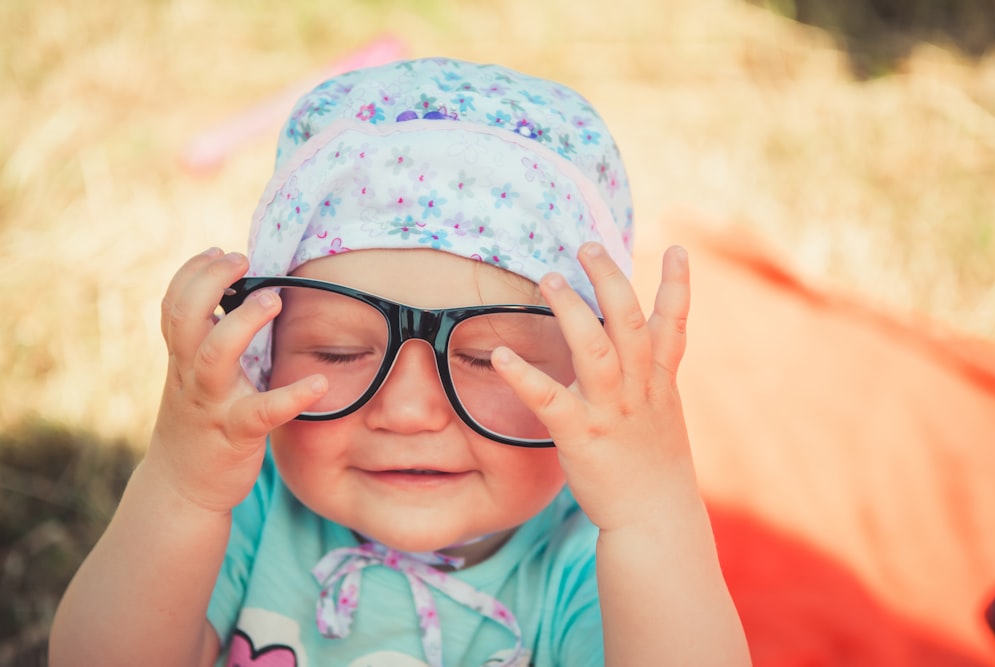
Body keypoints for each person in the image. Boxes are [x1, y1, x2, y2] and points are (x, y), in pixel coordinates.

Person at [49, 57, 750, 667]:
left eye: (485, 358)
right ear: (265, 354)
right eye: (340, 351)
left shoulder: (588, 556)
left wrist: (650, 515)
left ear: (586, 377)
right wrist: (180, 485)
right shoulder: (242, 506)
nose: (409, 410)